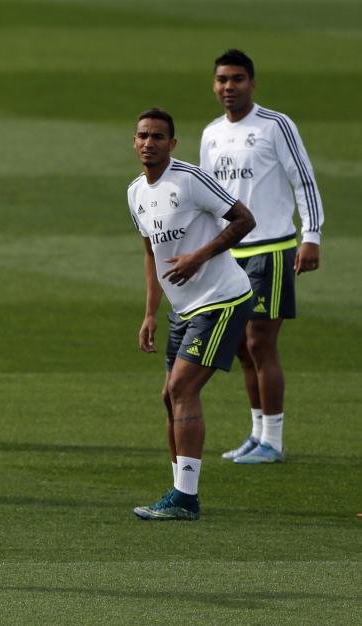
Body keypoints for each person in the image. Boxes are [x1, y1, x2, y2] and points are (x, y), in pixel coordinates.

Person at [128, 109, 255, 520]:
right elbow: (152, 255)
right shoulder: (135, 193)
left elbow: (244, 219)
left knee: (182, 389)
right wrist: (150, 313)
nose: (150, 143)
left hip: (223, 298)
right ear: (134, 141)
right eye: (144, 135)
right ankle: (178, 491)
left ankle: (186, 498)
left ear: (173, 143)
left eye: (159, 137)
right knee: (170, 396)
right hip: (183, 309)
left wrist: (199, 258)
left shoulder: (189, 179)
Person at [200, 49, 324, 464]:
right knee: (239, 346)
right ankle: (256, 433)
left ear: (253, 83)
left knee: (260, 342)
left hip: (270, 248)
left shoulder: (275, 125)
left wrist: (312, 236)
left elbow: (303, 179)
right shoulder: (212, 133)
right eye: (222, 79)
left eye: (237, 79)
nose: (228, 87)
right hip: (229, 251)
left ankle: (274, 440)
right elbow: (208, 198)